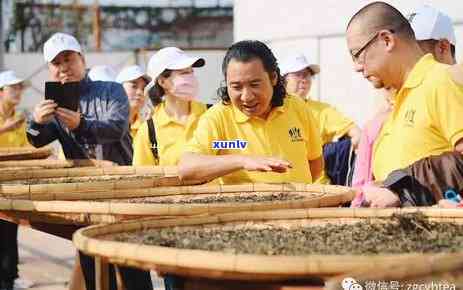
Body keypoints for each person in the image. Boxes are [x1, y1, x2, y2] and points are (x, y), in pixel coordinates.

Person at [26, 32, 152, 290]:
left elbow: (116, 128)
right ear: (50, 69)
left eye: (68, 59)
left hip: (122, 192)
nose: (63, 68)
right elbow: (38, 140)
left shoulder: (111, 89)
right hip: (84, 193)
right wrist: (36, 123)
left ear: (82, 59)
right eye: (56, 63)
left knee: (131, 264)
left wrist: (81, 124)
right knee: (92, 264)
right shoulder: (53, 103)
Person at [346, 2, 463, 208]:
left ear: (387, 40)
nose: (356, 67)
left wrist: (404, 191)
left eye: (357, 54)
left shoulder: (439, 82)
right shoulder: (397, 102)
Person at [178, 40, 323, 185]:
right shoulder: (218, 117)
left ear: (273, 78)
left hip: (299, 205)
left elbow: (315, 163)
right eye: (236, 87)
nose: (246, 96)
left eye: (255, 85)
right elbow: (187, 168)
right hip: (246, 207)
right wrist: (242, 160)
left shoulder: (296, 106)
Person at [280, 53, 361, 185]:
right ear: (283, 79)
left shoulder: (322, 111)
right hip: (281, 185)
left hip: (317, 187)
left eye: (307, 75)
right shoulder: (273, 109)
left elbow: (356, 133)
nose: (304, 79)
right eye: (298, 74)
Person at [132, 47, 207, 166]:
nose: (191, 78)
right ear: (162, 82)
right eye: (184, 73)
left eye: (191, 72)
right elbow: (143, 178)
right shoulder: (149, 131)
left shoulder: (212, 115)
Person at [0, 70, 34, 290]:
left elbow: (25, 148)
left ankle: (9, 279)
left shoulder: (18, 119)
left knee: (8, 235)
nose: (18, 92)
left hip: (10, 188)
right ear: (1, 92)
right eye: (13, 88)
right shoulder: (10, 122)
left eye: (19, 88)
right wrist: (5, 128)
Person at [116, 65, 152, 139]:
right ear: (117, 88)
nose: (140, 92)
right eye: (134, 86)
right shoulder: (108, 125)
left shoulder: (148, 126)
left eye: (143, 88)